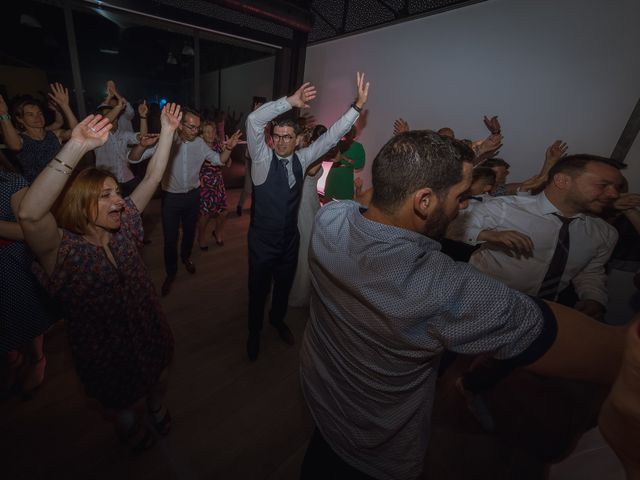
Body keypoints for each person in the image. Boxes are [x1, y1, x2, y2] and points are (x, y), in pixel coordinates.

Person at [299, 130, 629, 480]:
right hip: (374, 445)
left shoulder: (331, 219)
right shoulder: (446, 288)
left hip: (321, 395)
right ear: (424, 201)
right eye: (460, 197)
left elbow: (367, 198)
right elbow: (607, 352)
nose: (465, 206)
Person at [17, 104, 182, 450]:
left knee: (160, 374)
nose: (119, 201)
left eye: (117, 193)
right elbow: (31, 216)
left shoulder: (127, 228)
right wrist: (76, 146)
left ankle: (155, 407)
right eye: (106, 196)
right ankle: (130, 430)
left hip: (146, 322)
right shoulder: (62, 251)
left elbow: (152, 177)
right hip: (102, 347)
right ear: (81, 204)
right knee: (118, 402)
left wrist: (167, 132)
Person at [244, 72, 369, 361]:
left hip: (289, 240)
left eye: (288, 137)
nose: (282, 142)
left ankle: (276, 320)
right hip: (262, 243)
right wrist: (289, 101)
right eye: (277, 137)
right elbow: (253, 121)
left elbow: (334, 135)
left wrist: (357, 106)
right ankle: (253, 334)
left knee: (284, 286)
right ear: (271, 138)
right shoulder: (262, 160)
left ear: (298, 139)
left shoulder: (303, 159)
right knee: (258, 291)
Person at [458, 154, 623, 321]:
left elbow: (590, 272)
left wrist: (594, 299)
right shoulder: (504, 208)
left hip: (541, 317)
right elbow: (452, 229)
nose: (614, 194)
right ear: (562, 181)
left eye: (617, 187)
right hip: (478, 306)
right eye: (603, 185)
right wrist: (489, 235)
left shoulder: (605, 233)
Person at [130, 108, 241, 296]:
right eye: (191, 127)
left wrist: (229, 148)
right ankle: (171, 272)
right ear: (180, 125)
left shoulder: (199, 144)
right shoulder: (167, 140)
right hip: (171, 198)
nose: (195, 131)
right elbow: (134, 158)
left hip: (193, 196)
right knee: (170, 238)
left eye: (197, 128)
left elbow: (219, 160)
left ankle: (186, 257)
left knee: (189, 233)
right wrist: (141, 145)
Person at [0, 153, 56, 398]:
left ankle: (37, 360)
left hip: (11, 261)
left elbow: (28, 231)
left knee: (24, 312)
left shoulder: (11, 183)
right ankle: (12, 360)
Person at [0, 84, 77, 183]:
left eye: (39, 113)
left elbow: (77, 133)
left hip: (63, 184)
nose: (37, 117)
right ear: (20, 119)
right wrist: (3, 114)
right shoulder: (21, 139)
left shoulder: (55, 134)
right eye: (30, 114)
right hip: (38, 192)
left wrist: (65, 106)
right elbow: (15, 146)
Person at [288, 124, 327, 307]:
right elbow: (311, 171)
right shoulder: (308, 152)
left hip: (312, 201)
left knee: (312, 241)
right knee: (304, 243)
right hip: (303, 202)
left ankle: (309, 285)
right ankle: (297, 290)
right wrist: (326, 153)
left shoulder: (316, 151)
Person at [197, 119, 232, 249]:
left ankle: (217, 232)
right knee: (204, 215)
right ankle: (200, 238)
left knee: (223, 213)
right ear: (201, 134)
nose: (210, 134)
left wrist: (227, 150)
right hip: (204, 185)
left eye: (212, 131)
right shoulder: (198, 147)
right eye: (206, 132)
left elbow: (228, 164)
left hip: (218, 183)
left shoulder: (218, 146)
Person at [324, 126, 366, 200]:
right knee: (328, 200)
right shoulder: (338, 143)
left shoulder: (358, 146)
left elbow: (360, 164)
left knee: (344, 203)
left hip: (346, 176)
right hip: (334, 173)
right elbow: (328, 156)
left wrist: (346, 159)